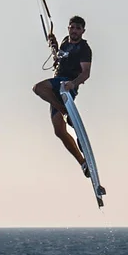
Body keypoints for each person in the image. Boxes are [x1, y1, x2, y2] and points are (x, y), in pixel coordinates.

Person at [33, 16, 92, 176]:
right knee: (59, 130)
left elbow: (86, 73)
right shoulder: (66, 42)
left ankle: (65, 113)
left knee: (38, 88)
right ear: (68, 28)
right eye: (72, 27)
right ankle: (83, 164)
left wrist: (73, 83)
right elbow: (60, 57)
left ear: (83, 31)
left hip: (66, 85)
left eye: (78, 28)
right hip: (56, 85)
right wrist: (54, 44)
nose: (74, 31)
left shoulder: (84, 48)